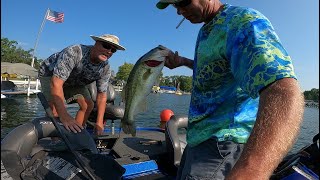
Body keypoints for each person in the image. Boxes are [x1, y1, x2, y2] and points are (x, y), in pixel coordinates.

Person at [156, 0, 305, 179]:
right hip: (198, 140)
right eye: (175, 6)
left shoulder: (241, 22)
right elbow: (214, 70)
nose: (180, 11)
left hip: (223, 144)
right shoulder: (206, 29)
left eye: (183, 2)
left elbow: (282, 90)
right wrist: (183, 62)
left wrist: (252, 171)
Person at [38, 34, 125, 135]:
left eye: (113, 50)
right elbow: (56, 83)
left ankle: (77, 133)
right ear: (96, 44)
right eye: (106, 46)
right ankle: (55, 138)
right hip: (50, 74)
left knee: (88, 105)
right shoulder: (75, 52)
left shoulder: (105, 68)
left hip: (76, 80)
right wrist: (65, 116)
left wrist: (99, 122)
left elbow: (102, 95)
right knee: (54, 108)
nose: (109, 51)